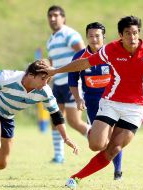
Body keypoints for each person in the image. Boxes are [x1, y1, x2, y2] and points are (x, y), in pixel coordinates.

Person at [39, 15, 143, 189]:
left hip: (135, 108)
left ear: (139, 33)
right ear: (120, 35)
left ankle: (75, 178)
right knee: (96, 145)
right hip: (111, 103)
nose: (132, 37)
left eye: (135, 33)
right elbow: (84, 63)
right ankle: (100, 139)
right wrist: (56, 70)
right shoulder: (110, 50)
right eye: (127, 33)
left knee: (114, 148)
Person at [68, 22, 123, 180]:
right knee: (99, 143)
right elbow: (72, 81)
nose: (94, 39)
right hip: (92, 103)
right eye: (91, 36)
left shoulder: (113, 54)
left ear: (103, 37)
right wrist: (78, 99)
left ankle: (118, 171)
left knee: (114, 137)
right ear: (87, 37)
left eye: (97, 35)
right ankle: (93, 134)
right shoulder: (79, 57)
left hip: (112, 100)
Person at [46, 5, 88, 164]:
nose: (53, 18)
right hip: (58, 85)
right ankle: (58, 156)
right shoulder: (50, 40)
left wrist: (80, 77)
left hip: (72, 83)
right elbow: (51, 64)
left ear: (63, 18)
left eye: (56, 15)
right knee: (55, 119)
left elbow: (84, 54)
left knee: (74, 121)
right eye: (50, 16)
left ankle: (103, 141)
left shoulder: (69, 34)